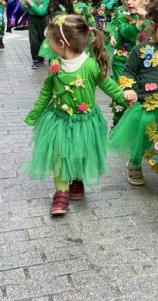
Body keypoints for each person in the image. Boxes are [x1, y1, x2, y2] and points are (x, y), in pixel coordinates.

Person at [24, 14, 126, 216]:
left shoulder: (89, 66)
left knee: (79, 152)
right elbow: (46, 91)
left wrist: (126, 99)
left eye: (49, 39)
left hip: (84, 121)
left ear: (61, 43)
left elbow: (108, 86)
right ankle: (61, 192)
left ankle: (77, 179)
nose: (47, 43)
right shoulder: (55, 65)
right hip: (58, 120)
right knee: (59, 155)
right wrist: (35, 114)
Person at [110, 0, 158, 204]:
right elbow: (128, 72)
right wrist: (127, 89)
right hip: (146, 107)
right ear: (154, 26)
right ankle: (134, 163)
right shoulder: (140, 49)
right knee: (140, 139)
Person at [106, 0, 152, 128]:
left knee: (141, 94)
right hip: (122, 61)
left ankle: (135, 126)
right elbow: (127, 32)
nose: (129, 2)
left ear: (146, 1)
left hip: (145, 63)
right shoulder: (121, 14)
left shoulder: (153, 17)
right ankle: (117, 124)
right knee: (122, 94)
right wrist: (139, 21)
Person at [21, 0, 51, 69]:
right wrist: (22, 4)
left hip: (43, 20)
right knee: (33, 40)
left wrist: (32, 3)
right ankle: (36, 59)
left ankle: (42, 57)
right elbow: (25, 8)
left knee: (43, 39)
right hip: (32, 19)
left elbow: (41, 12)